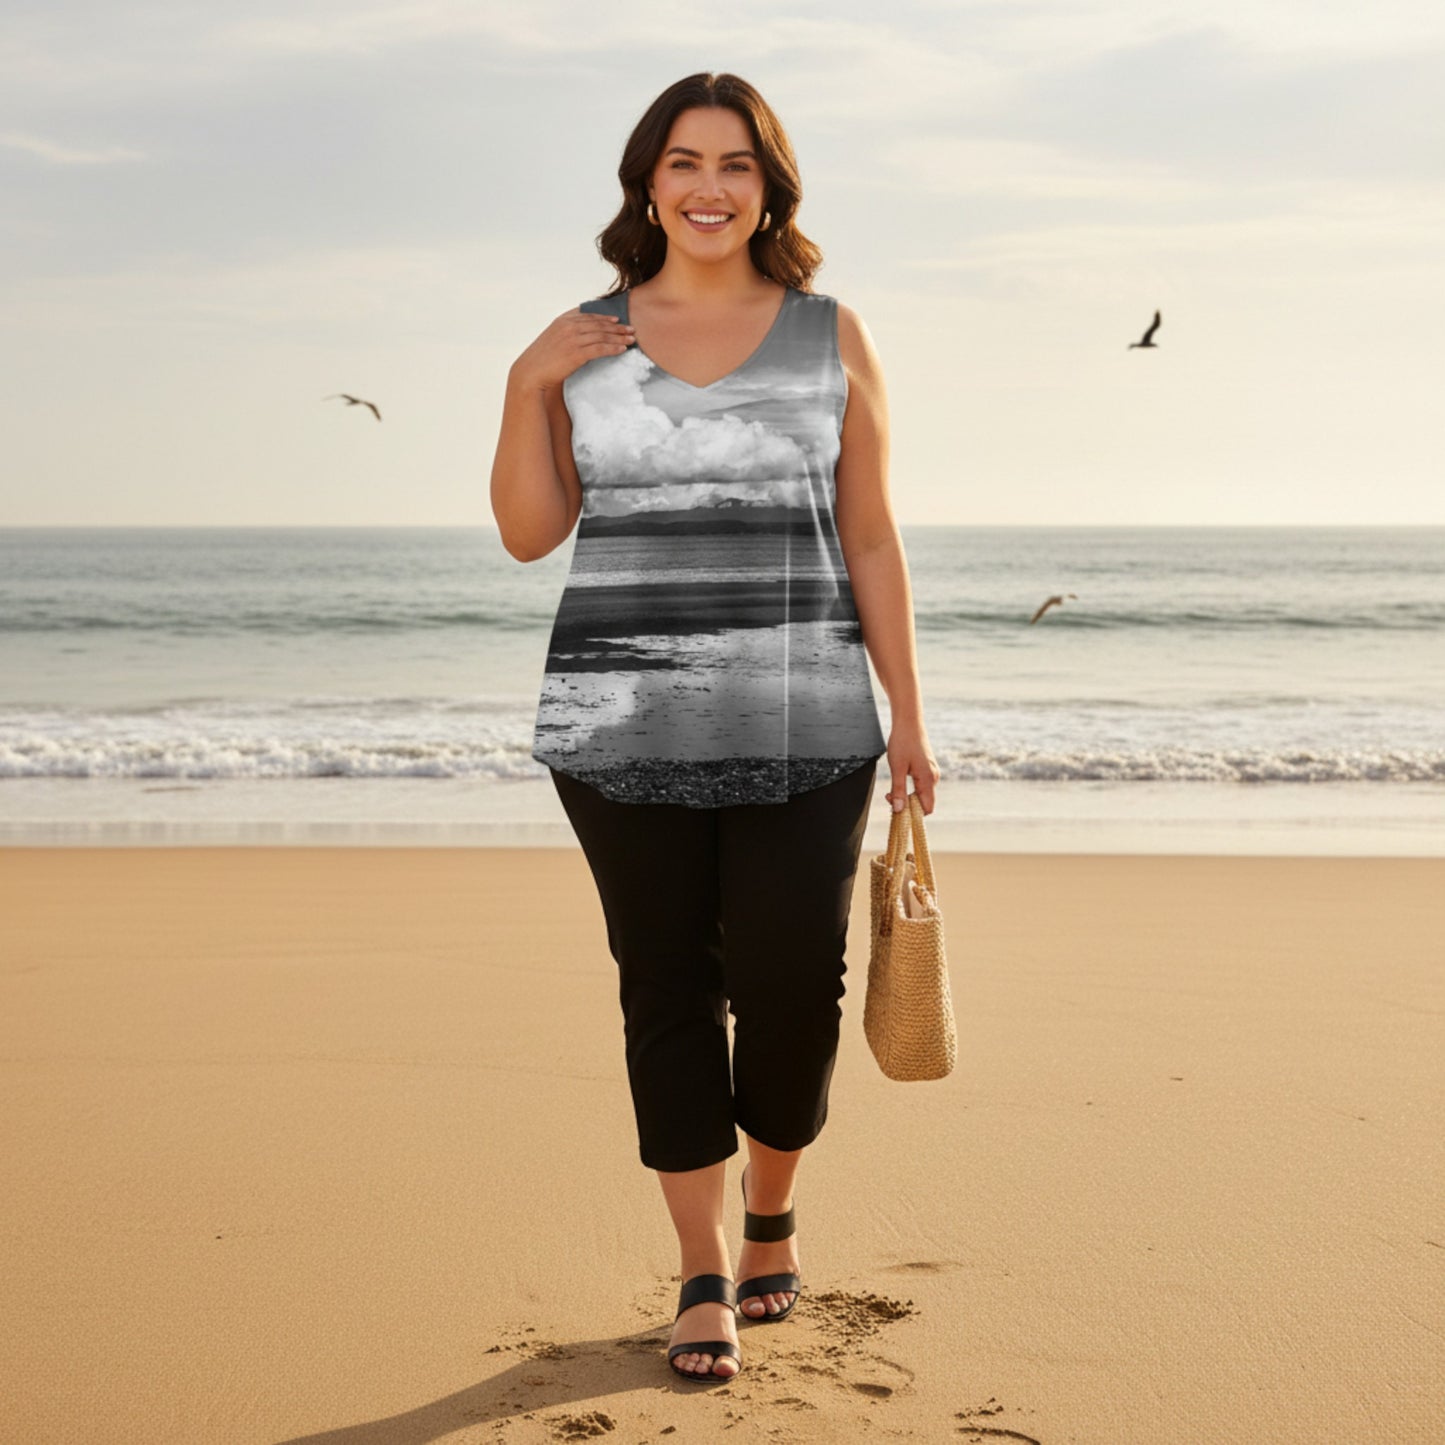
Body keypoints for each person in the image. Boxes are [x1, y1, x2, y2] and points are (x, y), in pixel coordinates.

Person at [490, 71, 938, 1384]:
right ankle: (700, 1268)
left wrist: (909, 711)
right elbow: (528, 534)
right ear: (646, 182)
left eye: (733, 164)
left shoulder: (828, 332)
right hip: (618, 723)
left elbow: (867, 529)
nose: (706, 186)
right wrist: (526, 383)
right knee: (666, 988)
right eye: (682, 162)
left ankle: (770, 1212)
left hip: (812, 718)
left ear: (767, 186)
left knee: (797, 985)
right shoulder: (580, 339)